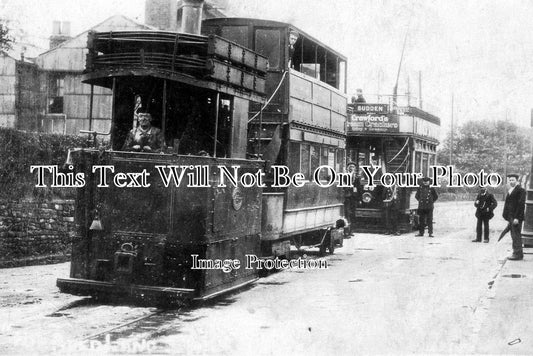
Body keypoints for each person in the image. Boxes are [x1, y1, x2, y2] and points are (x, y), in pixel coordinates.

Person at [502, 173, 526, 260]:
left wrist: (517, 218)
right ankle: (516, 252)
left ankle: (518, 254)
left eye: (513, 180)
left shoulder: (521, 190)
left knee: (516, 235)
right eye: (510, 180)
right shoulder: (511, 190)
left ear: (517, 180)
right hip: (511, 216)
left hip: (516, 217)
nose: (511, 182)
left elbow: (521, 205)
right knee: (513, 235)